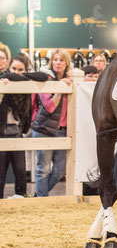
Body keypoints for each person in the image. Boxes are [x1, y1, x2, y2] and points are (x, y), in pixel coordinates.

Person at [0, 55, 47, 198]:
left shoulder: (23, 82)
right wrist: (13, 77)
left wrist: (21, 76)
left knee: (21, 171)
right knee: (0, 172)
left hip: (17, 132)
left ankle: (21, 200)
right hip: (1, 132)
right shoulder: (4, 79)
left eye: (21, 69)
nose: (17, 72)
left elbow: (43, 76)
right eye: (14, 68)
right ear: (9, 67)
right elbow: (7, 76)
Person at [31, 48, 72, 197]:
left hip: (63, 129)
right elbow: (49, 106)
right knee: (44, 168)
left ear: (66, 63)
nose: (58, 63)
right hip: (44, 128)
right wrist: (60, 88)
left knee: (61, 169)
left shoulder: (72, 79)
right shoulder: (45, 79)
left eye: (61, 60)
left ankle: (39, 195)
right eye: (55, 59)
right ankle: (41, 198)